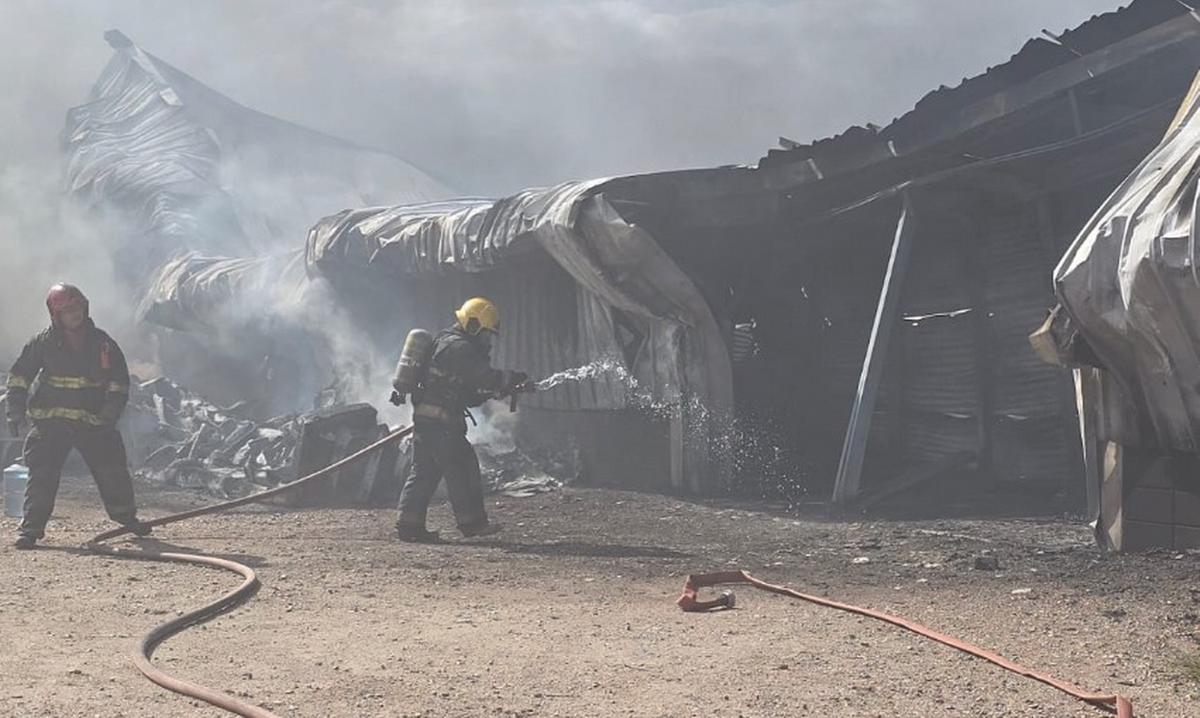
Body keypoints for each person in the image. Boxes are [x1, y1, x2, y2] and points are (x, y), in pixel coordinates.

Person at [5, 284, 149, 549]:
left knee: (112, 470)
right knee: (42, 476)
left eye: (78, 308)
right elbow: (19, 377)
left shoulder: (103, 343)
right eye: (68, 310)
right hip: (51, 424)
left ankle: (127, 519)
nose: (75, 314)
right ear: (56, 315)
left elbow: (119, 384)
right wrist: (14, 410)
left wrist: (108, 415)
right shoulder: (43, 342)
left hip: (93, 422)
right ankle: (31, 530)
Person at [395, 297, 528, 542]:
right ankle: (472, 523)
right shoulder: (459, 348)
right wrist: (512, 378)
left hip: (428, 420)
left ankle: (408, 526)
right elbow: (483, 377)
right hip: (442, 423)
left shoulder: (447, 343)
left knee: (424, 472)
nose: (488, 341)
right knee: (464, 467)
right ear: (474, 325)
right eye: (486, 334)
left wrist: (496, 390)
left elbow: (467, 391)